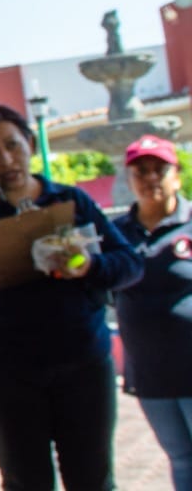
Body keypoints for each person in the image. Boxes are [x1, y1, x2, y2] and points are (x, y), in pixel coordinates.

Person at [0, 105, 143, 491]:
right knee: (24, 481)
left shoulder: (70, 201)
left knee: (93, 479)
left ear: (30, 146)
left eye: (13, 146)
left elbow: (129, 264)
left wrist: (89, 266)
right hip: (6, 370)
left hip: (82, 363)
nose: (6, 160)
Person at [113, 134, 192, 490]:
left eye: (159, 169)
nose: (150, 178)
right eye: (140, 171)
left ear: (176, 175)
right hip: (150, 374)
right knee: (181, 458)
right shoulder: (116, 233)